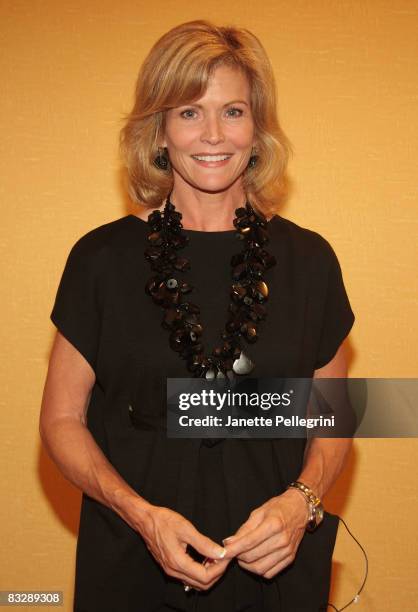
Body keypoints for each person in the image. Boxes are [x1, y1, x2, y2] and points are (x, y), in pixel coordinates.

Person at [40, 20, 355, 612]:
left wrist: (301, 502)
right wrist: (143, 516)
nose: (213, 134)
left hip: (274, 578)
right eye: (188, 112)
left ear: (257, 128)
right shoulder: (100, 260)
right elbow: (60, 421)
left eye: (232, 111)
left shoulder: (310, 261)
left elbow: (334, 420)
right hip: (132, 570)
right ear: (158, 129)